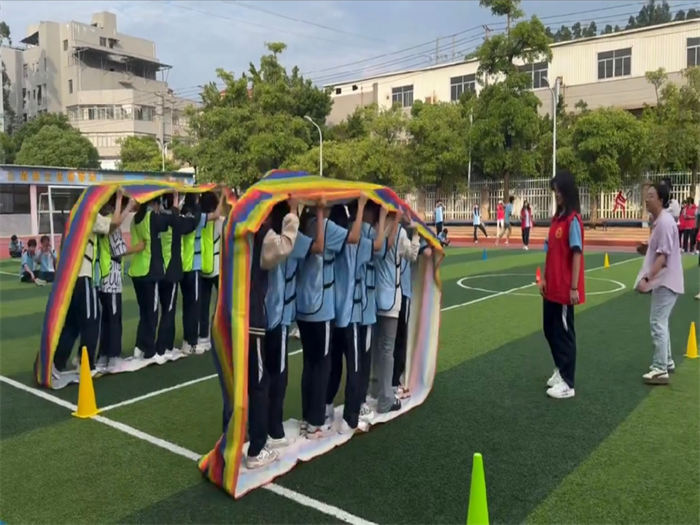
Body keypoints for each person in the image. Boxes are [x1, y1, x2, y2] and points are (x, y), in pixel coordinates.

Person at [245, 195, 309, 469]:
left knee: (260, 379)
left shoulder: (245, 229)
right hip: (262, 319)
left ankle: (261, 432)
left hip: (256, 317)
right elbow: (287, 248)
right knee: (263, 381)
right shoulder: (266, 235)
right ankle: (261, 443)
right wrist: (295, 213)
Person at [296, 197, 364, 439]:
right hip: (321, 308)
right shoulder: (324, 226)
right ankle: (316, 422)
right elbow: (354, 238)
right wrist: (362, 207)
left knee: (309, 364)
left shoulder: (302, 225)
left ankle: (308, 417)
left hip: (302, 307)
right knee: (322, 365)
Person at [326, 199, 388, 434]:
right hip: (351, 313)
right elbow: (379, 247)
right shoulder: (355, 240)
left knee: (333, 365)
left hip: (335, 312)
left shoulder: (335, 239)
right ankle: (350, 418)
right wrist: (384, 218)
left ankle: (325, 409)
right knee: (356, 366)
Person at [53, 190, 130, 375]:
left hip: (71, 276)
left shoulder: (73, 218)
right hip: (83, 274)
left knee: (73, 324)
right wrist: (123, 202)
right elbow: (114, 224)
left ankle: (57, 364)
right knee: (92, 321)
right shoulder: (87, 215)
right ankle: (85, 364)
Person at [264, 198, 319, 449]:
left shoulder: (267, 237)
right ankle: (274, 430)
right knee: (278, 375)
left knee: (264, 374)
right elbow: (317, 247)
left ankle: (261, 425)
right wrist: (312, 211)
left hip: (263, 316)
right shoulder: (289, 241)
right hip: (279, 316)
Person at [538, 174, 585, 400]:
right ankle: (560, 368)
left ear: (567, 191)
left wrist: (574, 287)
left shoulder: (572, 221)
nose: (556, 194)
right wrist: (544, 279)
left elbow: (576, 253)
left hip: (565, 288)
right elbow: (550, 253)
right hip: (552, 287)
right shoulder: (556, 220)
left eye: (558, 190)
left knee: (565, 333)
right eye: (554, 190)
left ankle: (568, 382)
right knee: (549, 328)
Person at [635, 182, 685, 385]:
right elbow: (659, 251)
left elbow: (663, 257)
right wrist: (646, 249)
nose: (647, 199)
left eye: (651, 196)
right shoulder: (660, 221)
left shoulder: (664, 222)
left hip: (666, 281)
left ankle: (660, 369)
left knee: (657, 322)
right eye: (647, 195)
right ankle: (667, 361)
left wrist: (647, 279)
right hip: (665, 280)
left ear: (661, 200)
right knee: (661, 321)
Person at [372, 209, 420, 413]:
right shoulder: (398, 232)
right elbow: (413, 254)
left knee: (378, 347)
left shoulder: (375, 229)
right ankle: (387, 395)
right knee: (388, 349)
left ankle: (378, 389)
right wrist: (416, 234)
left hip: (374, 296)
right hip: (391, 296)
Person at [95, 193, 138, 372]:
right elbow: (119, 250)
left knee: (107, 319)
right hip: (111, 277)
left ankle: (103, 356)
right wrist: (138, 248)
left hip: (104, 275)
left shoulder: (103, 220)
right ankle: (113, 357)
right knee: (113, 319)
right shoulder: (111, 223)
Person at [129, 196, 172, 365]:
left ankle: (139, 347)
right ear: (154, 203)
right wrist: (171, 208)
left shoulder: (135, 219)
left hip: (137, 270)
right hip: (150, 271)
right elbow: (169, 222)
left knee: (144, 313)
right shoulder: (151, 217)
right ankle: (150, 351)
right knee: (152, 313)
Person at [179, 193, 224, 355]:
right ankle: (193, 341)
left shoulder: (183, 216)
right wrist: (223, 197)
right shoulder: (200, 218)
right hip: (199, 266)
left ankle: (195, 339)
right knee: (197, 306)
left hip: (187, 266)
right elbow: (217, 215)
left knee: (193, 306)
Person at [155, 192, 197, 362]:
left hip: (160, 269)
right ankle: (164, 347)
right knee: (169, 310)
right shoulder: (175, 220)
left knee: (164, 309)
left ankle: (164, 345)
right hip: (171, 270)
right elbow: (190, 224)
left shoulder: (158, 218)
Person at [392, 232, 431, 401]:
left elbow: (423, 251)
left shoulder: (395, 231)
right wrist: (418, 236)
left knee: (389, 341)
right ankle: (394, 382)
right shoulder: (401, 233)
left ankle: (388, 382)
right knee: (399, 339)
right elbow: (417, 253)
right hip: (401, 292)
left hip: (388, 294)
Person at [198, 191, 225, 351]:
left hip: (202, 267)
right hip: (217, 267)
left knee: (204, 304)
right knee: (222, 302)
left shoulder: (200, 220)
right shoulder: (219, 222)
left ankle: (203, 335)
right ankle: (220, 331)